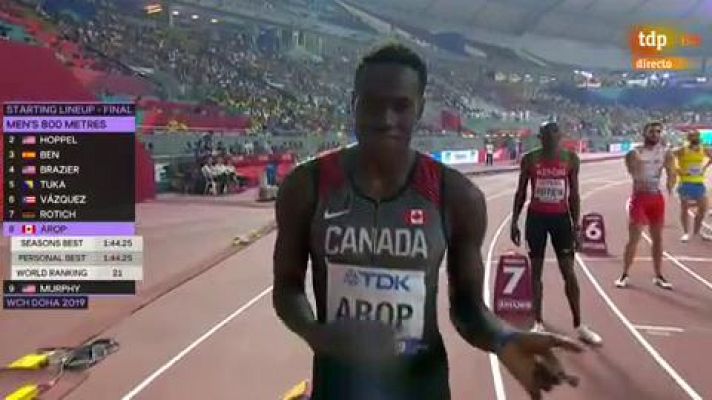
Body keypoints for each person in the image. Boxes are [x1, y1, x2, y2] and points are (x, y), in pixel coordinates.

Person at [273, 43, 583, 400]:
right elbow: (287, 287)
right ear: (353, 104)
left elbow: (467, 308)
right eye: (372, 104)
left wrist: (503, 339)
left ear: (420, 109)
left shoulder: (456, 196)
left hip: (422, 387)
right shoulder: (306, 186)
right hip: (338, 384)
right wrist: (317, 333)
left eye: (401, 106)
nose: (386, 118)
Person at [510, 121, 602, 346]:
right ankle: (538, 322)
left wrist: (577, 226)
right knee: (536, 273)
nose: (551, 138)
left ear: (560, 136)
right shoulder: (530, 159)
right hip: (536, 220)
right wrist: (514, 221)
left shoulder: (571, 160)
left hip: (561, 221)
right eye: (546, 134)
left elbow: (574, 195)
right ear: (540, 137)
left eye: (555, 134)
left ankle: (579, 325)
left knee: (568, 272)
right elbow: (521, 192)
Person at [615, 121, 676, 289]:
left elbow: (672, 172)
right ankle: (624, 274)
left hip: (656, 199)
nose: (655, 134)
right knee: (634, 239)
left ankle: (659, 275)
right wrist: (641, 160)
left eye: (658, 131)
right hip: (640, 198)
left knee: (658, 239)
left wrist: (671, 182)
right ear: (644, 133)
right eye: (652, 131)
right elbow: (633, 172)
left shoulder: (665, 153)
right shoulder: (634, 152)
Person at [674, 130, 711, 242]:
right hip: (685, 182)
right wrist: (679, 171)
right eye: (692, 136)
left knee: (703, 208)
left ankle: (697, 231)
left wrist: (704, 168)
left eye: (697, 136)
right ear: (688, 138)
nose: (695, 138)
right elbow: (669, 159)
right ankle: (686, 233)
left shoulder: (702, 148)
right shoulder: (682, 150)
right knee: (684, 208)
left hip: (699, 182)